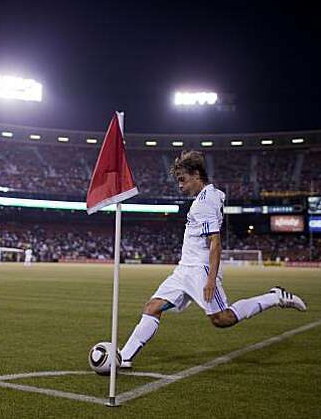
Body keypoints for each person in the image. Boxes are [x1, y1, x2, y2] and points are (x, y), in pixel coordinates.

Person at [120, 151, 307, 369]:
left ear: (197, 174)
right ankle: (123, 357)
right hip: (184, 269)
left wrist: (210, 280)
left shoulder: (205, 203)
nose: (180, 186)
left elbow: (215, 243)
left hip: (200, 269)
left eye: (183, 180)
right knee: (153, 307)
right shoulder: (210, 195)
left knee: (222, 319)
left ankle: (275, 297)